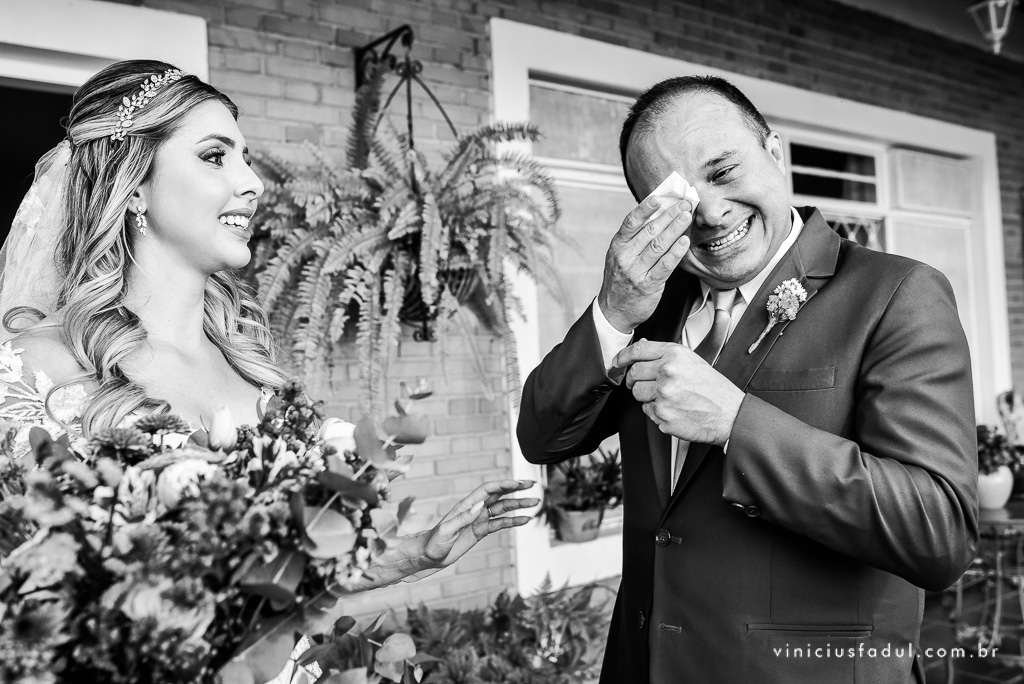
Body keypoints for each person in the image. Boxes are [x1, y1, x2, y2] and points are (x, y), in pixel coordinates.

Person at [0, 60, 536, 599]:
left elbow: (279, 573)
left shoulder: (254, 369)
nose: (252, 183)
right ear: (134, 186)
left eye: (247, 159)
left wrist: (417, 554)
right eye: (215, 156)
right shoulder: (33, 372)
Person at [518, 75, 978, 684]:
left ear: (774, 151)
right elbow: (542, 437)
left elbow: (938, 533)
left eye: (724, 171)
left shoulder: (897, 294)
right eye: (674, 199)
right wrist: (613, 311)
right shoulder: (650, 307)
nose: (709, 212)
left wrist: (736, 423)